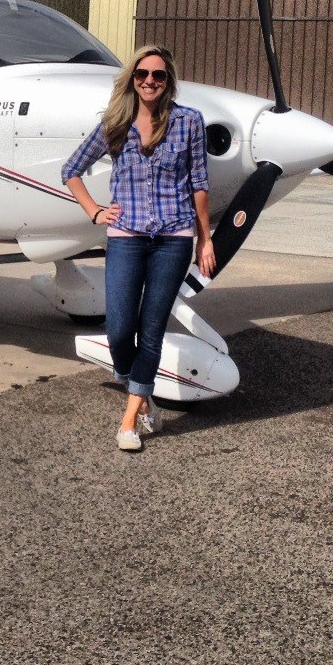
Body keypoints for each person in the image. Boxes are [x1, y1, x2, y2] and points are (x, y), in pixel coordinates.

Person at [61, 46, 215, 450]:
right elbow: (71, 170)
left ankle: (129, 420)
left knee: (151, 331)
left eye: (158, 75)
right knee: (118, 329)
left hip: (174, 237)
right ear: (132, 79)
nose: (150, 81)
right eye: (142, 74)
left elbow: (199, 184)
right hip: (126, 236)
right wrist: (95, 211)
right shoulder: (115, 124)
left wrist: (205, 239)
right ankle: (144, 396)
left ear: (169, 81)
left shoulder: (188, 122)